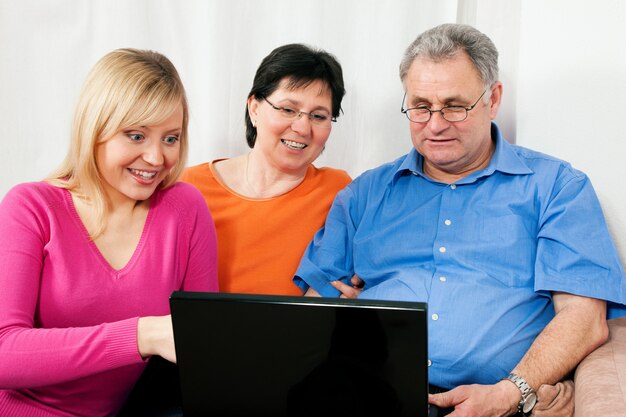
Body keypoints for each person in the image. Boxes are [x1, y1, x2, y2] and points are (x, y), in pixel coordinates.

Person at [293, 24, 626, 417]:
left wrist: (511, 391)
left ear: (494, 98)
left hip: (498, 403)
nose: (435, 124)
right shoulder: (364, 195)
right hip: (367, 399)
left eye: (454, 105)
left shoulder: (556, 188)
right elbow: (309, 315)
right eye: (420, 106)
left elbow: (584, 320)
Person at [0, 48, 218, 417]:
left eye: (170, 138)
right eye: (136, 135)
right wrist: (140, 336)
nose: (156, 158)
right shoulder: (31, 207)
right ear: (94, 129)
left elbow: (202, 343)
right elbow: (4, 352)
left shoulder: (185, 208)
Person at [181, 43, 351, 296]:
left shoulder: (339, 190)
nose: (303, 128)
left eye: (318, 116)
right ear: (254, 108)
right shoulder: (189, 187)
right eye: (288, 109)